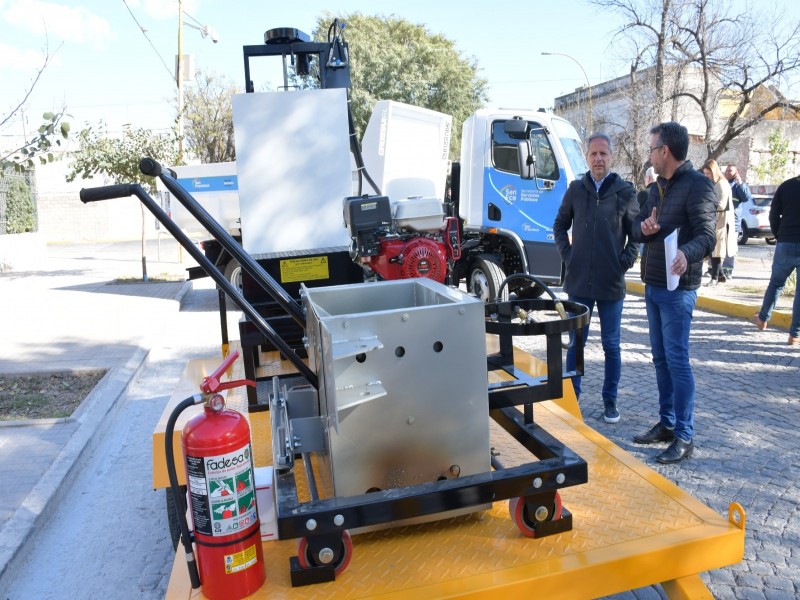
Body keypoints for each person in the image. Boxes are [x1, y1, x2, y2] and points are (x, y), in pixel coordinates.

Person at [630, 121, 716, 464]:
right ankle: (666, 424)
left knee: (678, 361)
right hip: (653, 284)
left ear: (665, 150)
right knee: (660, 359)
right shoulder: (657, 187)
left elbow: (707, 237)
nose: (649, 154)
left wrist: (686, 253)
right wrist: (645, 229)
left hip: (679, 290)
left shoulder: (698, 186)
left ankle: (685, 435)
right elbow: (638, 228)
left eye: (652, 148)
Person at [553, 132, 639, 424]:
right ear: (586, 158)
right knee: (576, 343)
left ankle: (610, 401)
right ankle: (571, 398)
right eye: (593, 154)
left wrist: (622, 264)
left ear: (611, 157)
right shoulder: (576, 189)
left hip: (611, 285)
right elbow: (559, 225)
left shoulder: (625, 192)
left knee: (611, 345)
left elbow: (636, 236)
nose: (598, 159)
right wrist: (569, 256)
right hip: (579, 284)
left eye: (603, 153)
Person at [752, 174, 800, 346]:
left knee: (776, 283)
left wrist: (779, 234)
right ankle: (794, 335)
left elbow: (774, 214)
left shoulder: (786, 186)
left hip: (786, 241)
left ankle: (763, 318)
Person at [702, 159, 736, 286]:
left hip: (720, 222)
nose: (707, 176)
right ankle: (720, 275)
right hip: (714, 221)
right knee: (712, 249)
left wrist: (707, 205)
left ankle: (715, 278)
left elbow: (721, 204)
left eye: (708, 174)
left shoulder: (721, 184)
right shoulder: (715, 183)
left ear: (714, 171)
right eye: (705, 174)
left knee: (715, 250)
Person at [722, 164, 752, 279]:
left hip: (733, 222)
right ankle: (713, 268)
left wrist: (740, 183)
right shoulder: (722, 183)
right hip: (720, 220)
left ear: (736, 172)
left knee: (730, 247)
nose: (728, 172)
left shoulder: (738, 186)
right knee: (717, 245)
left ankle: (727, 270)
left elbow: (745, 197)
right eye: (727, 170)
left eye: (730, 171)